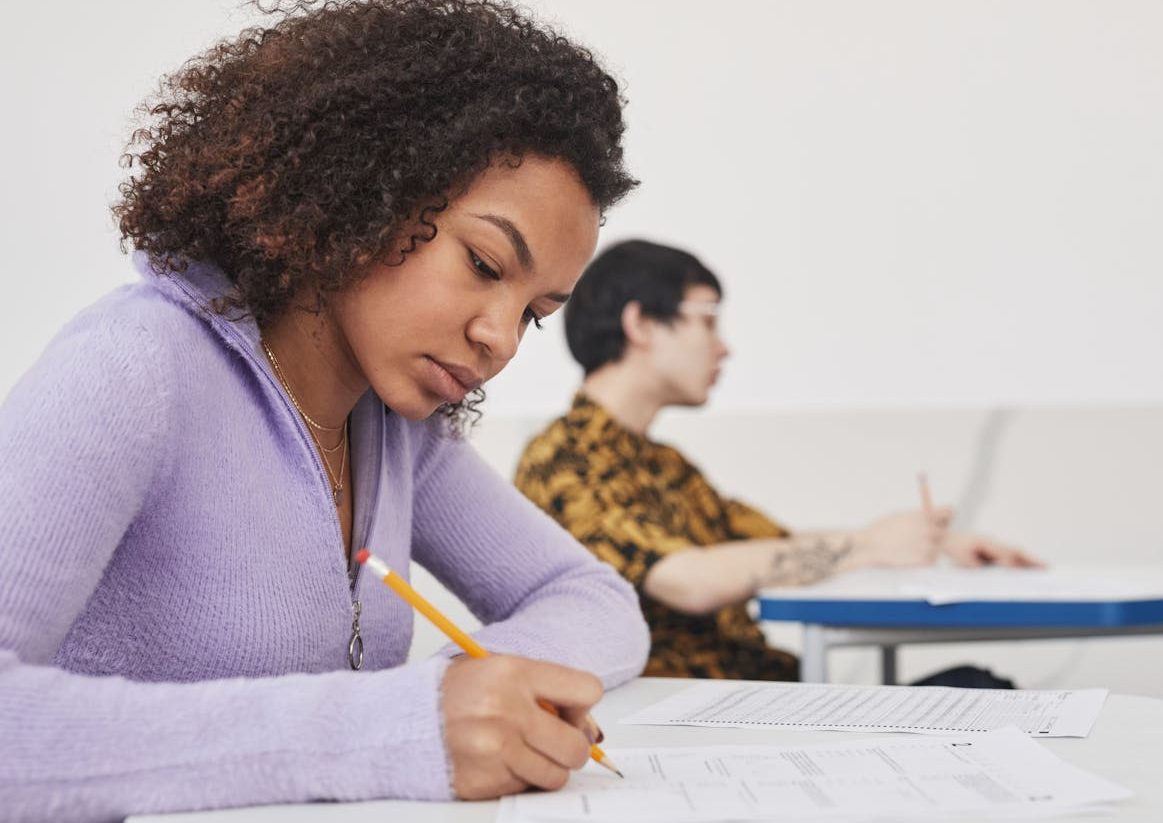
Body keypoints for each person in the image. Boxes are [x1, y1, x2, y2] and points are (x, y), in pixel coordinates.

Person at [0, 2, 651, 819]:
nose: (500, 339)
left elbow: (594, 599)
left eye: (533, 312)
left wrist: (473, 697)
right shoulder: (133, 367)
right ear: (361, 188)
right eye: (484, 263)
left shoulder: (396, 427)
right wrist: (393, 726)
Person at [515, 239, 1038, 682]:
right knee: (977, 688)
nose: (724, 348)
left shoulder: (663, 465)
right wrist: (867, 544)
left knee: (978, 688)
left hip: (755, 689)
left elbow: (772, 547)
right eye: (707, 321)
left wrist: (926, 541)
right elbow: (687, 579)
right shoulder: (565, 460)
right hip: (691, 715)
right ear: (642, 324)